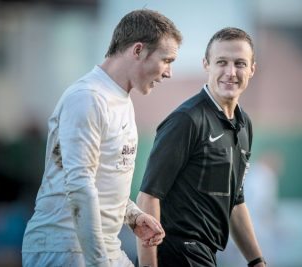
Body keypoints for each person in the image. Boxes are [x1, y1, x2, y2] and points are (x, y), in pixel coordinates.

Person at [21, 9, 182, 267]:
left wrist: (131, 215)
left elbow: (101, 179)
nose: (169, 72)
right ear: (138, 50)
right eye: (167, 60)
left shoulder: (121, 100)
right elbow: (80, 185)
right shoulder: (87, 98)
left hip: (103, 247)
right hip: (65, 248)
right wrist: (99, 262)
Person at [137, 27, 266, 267]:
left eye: (239, 63)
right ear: (206, 64)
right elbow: (148, 197)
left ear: (252, 69)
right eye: (221, 62)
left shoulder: (244, 124)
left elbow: (235, 201)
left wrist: (256, 260)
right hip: (176, 252)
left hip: (206, 254)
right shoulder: (186, 120)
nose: (230, 72)